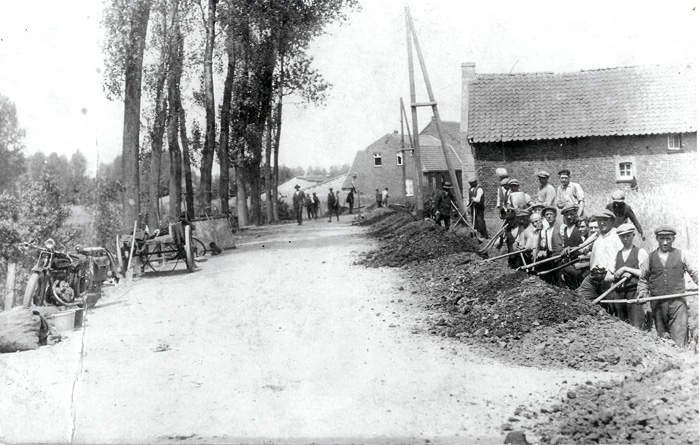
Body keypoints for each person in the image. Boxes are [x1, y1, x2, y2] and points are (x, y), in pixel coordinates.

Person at [636, 225, 698, 346]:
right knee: (662, 337)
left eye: (668, 239)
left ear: (673, 239)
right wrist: (642, 292)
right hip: (658, 303)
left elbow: (695, 273)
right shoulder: (650, 258)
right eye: (661, 238)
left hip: (677, 302)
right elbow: (643, 279)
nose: (665, 242)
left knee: (679, 338)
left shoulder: (681, 255)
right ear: (657, 239)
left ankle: (682, 357)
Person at [576, 210, 622, 313]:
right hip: (593, 276)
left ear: (612, 221)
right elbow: (582, 249)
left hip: (609, 277)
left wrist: (611, 273)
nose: (601, 223)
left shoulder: (617, 235)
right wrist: (570, 249)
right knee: (579, 298)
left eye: (605, 220)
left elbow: (621, 256)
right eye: (599, 220)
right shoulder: (596, 235)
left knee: (612, 308)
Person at [612, 223, 648, 330]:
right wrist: (617, 274)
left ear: (633, 235)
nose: (625, 239)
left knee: (636, 327)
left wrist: (626, 269)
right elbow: (610, 275)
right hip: (619, 293)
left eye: (628, 235)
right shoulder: (617, 254)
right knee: (622, 327)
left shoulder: (640, 252)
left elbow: (645, 273)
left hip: (634, 293)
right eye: (622, 236)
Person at [558, 204, 586, 289]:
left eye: (571, 214)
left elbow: (584, 246)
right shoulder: (565, 229)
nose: (569, 217)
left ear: (575, 214)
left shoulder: (579, 228)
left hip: (580, 262)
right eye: (567, 215)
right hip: (569, 262)